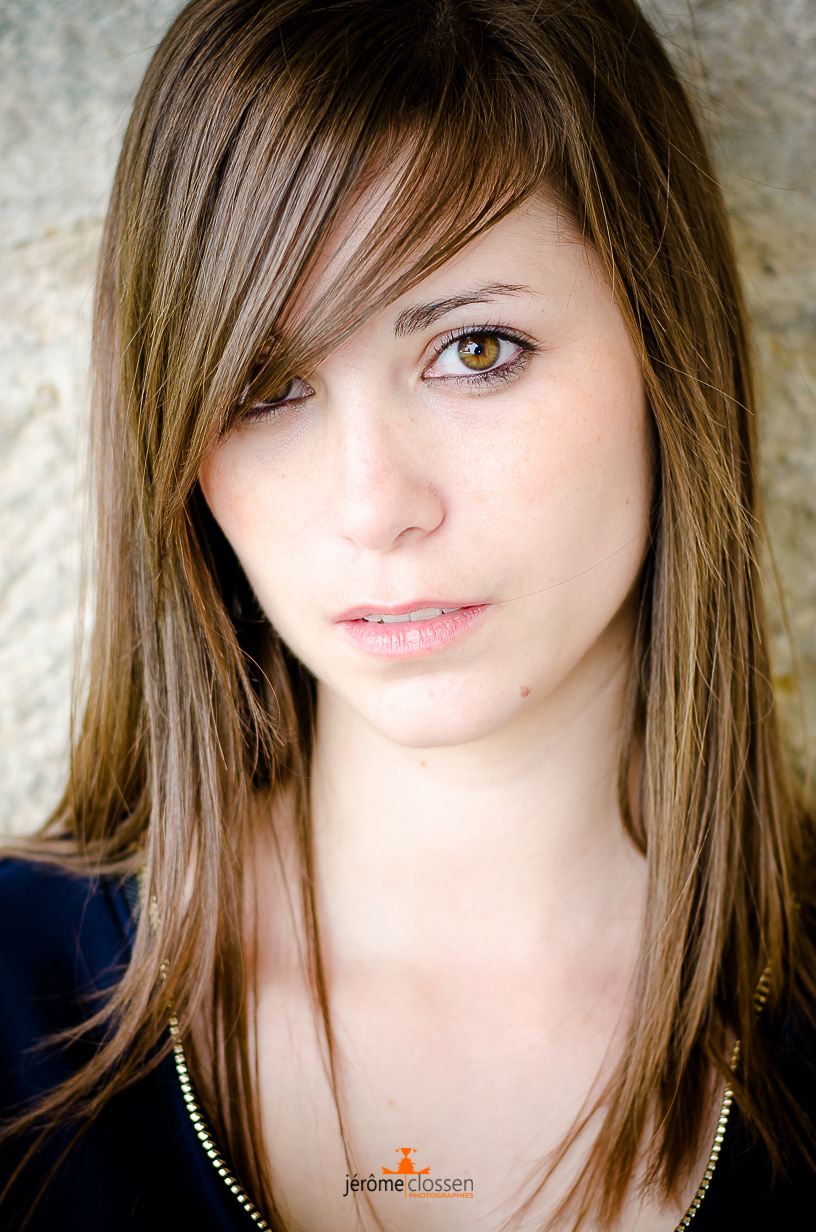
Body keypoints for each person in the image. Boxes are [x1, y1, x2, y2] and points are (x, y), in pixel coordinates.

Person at [1, 0, 814, 1228]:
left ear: (665, 345)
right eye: (267, 384)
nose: (375, 506)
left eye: (477, 349)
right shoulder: (12, 999)